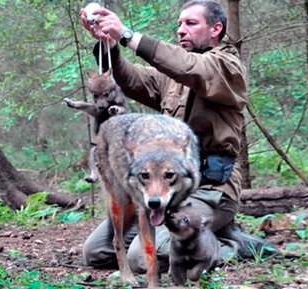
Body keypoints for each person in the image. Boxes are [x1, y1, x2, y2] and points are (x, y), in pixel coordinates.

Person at [80, 0, 274, 273]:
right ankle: (205, 234)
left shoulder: (228, 67)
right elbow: (133, 79)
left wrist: (126, 34)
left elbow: (191, 68)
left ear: (216, 29)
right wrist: (110, 44)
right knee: (97, 251)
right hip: (165, 188)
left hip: (210, 190)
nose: (181, 30)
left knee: (142, 256)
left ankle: (234, 246)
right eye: (179, 24)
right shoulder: (173, 76)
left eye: (191, 24)